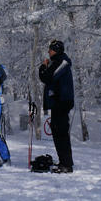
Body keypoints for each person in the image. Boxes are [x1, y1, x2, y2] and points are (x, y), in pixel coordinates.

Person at [39, 39, 74, 173]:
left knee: (61, 133)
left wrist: (43, 67)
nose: (49, 52)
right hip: (58, 103)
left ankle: (66, 164)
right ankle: (64, 162)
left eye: (51, 49)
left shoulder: (62, 62)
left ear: (57, 50)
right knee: (57, 132)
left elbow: (47, 77)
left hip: (62, 103)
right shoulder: (58, 62)